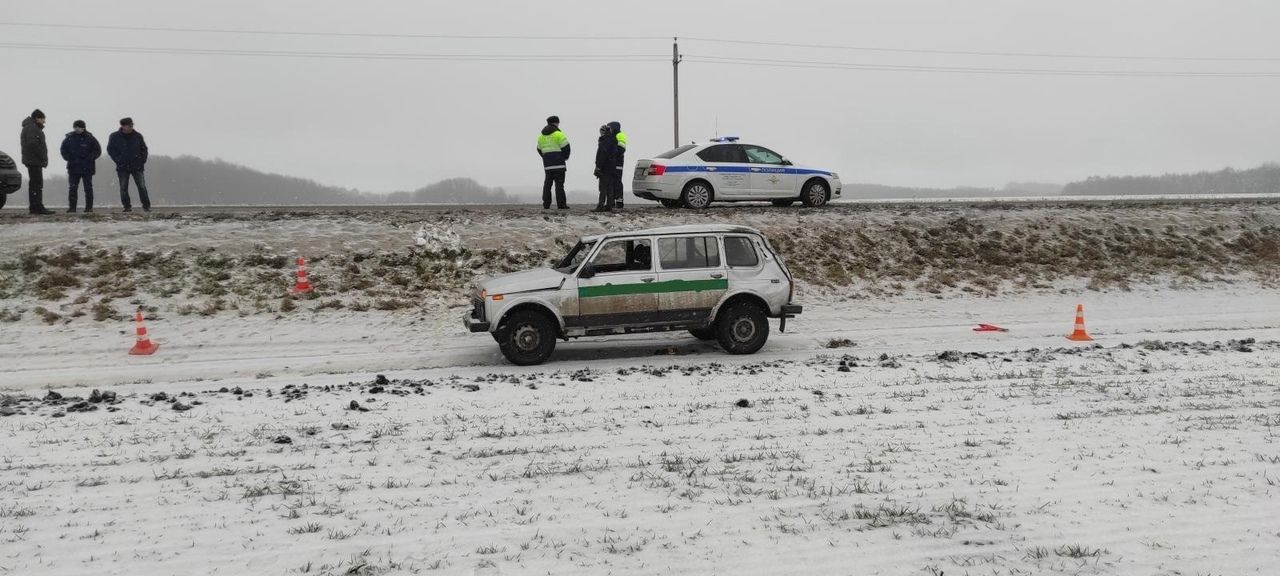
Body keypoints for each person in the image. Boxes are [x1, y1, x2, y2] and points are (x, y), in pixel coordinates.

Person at [107, 117, 150, 212]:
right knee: (123, 188)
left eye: (132, 125)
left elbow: (144, 149)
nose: (131, 127)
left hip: (137, 166)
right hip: (122, 167)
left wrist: (142, 160)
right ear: (123, 126)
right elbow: (110, 150)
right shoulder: (114, 136)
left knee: (142, 187)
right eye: (129, 125)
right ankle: (127, 207)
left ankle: (146, 206)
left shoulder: (138, 136)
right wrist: (118, 160)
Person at [60, 120, 102, 213]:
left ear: (84, 128)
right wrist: (70, 159)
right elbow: (63, 150)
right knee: (73, 188)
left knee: (88, 188)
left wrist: (89, 158)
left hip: (87, 168)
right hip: (73, 168)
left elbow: (97, 151)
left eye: (79, 127)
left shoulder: (90, 138)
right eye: (75, 127)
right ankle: (72, 208)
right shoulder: (69, 138)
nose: (77, 129)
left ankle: (89, 208)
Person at [19, 109, 54, 215]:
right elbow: (33, 144)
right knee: (36, 184)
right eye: (43, 119)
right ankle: (37, 207)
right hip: (34, 161)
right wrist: (42, 156)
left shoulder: (30, 127)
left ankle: (36, 206)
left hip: (33, 160)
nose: (44, 122)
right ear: (37, 118)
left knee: (35, 184)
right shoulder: (32, 128)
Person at [537, 115, 571, 210]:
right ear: (556, 123)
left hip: (548, 165)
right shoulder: (559, 134)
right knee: (559, 185)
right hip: (559, 164)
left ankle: (546, 204)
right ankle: (561, 205)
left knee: (547, 185)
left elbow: (539, 149)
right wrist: (565, 157)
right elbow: (566, 148)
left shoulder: (541, 136)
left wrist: (545, 157)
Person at [593, 124, 618, 213]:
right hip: (612, 166)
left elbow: (602, 154)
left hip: (605, 167)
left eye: (601, 130)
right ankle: (609, 205)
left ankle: (601, 205)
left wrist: (598, 166)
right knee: (610, 186)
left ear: (604, 131)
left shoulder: (604, 141)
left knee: (603, 187)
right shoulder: (613, 140)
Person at [608, 121, 627, 210]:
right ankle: (611, 201)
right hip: (612, 163)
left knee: (617, 181)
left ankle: (619, 201)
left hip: (618, 163)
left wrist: (612, 154)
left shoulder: (620, 135)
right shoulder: (611, 136)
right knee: (611, 182)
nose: (609, 129)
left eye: (610, 128)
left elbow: (621, 149)